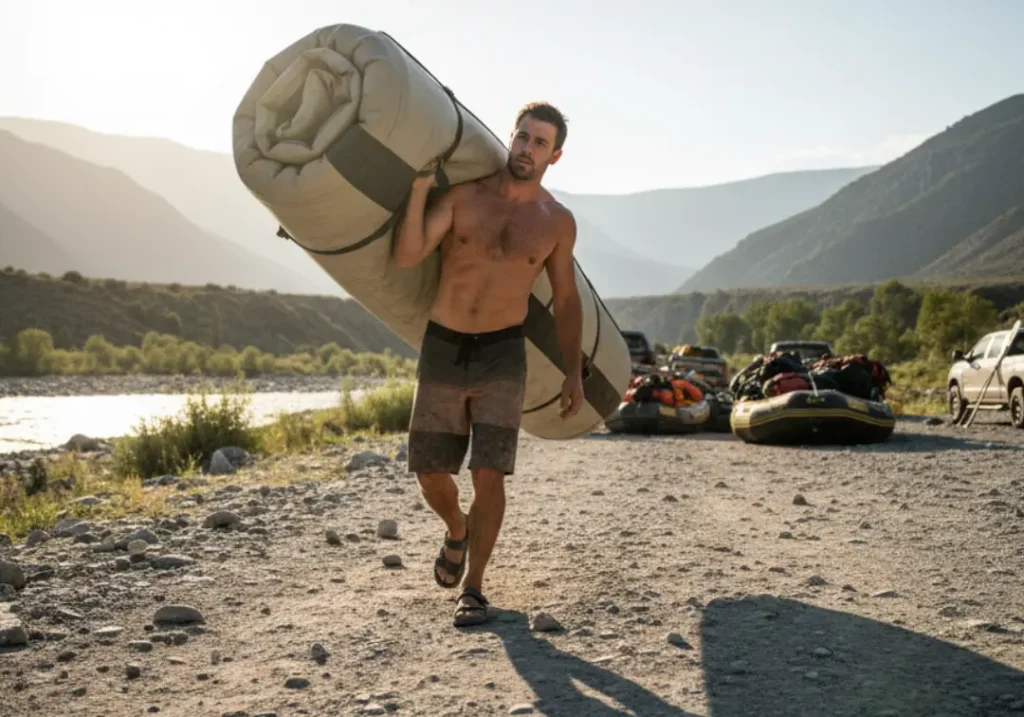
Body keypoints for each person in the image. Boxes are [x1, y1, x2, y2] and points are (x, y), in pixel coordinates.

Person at [392, 101, 584, 627]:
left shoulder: (557, 222)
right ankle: (456, 528)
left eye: (539, 142)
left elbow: (565, 300)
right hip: (443, 345)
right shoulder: (463, 198)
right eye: (522, 137)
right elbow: (408, 255)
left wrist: (574, 371)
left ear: (556, 155)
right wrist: (416, 191)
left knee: (489, 473)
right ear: (512, 137)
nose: (526, 149)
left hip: (503, 352)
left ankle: (473, 588)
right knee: (430, 473)